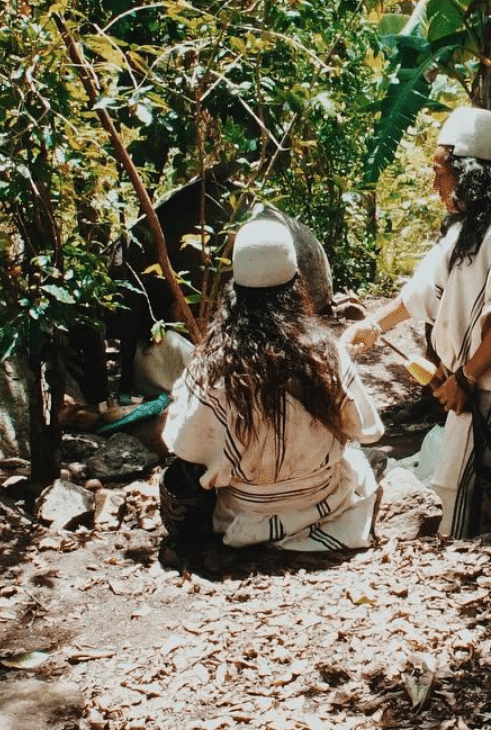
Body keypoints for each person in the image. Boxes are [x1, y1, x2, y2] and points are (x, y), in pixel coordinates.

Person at [344, 107, 491, 537]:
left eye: (440, 172)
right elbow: (420, 293)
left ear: (468, 171)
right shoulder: (470, 225)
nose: (435, 184)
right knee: (472, 506)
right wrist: (374, 325)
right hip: (476, 382)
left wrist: (465, 377)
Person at [160, 217, 384, 551]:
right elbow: (368, 430)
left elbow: (184, 445)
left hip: (244, 515)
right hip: (324, 501)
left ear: (235, 286)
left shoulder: (214, 363)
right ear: (296, 283)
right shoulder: (325, 351)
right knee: (365, 459)